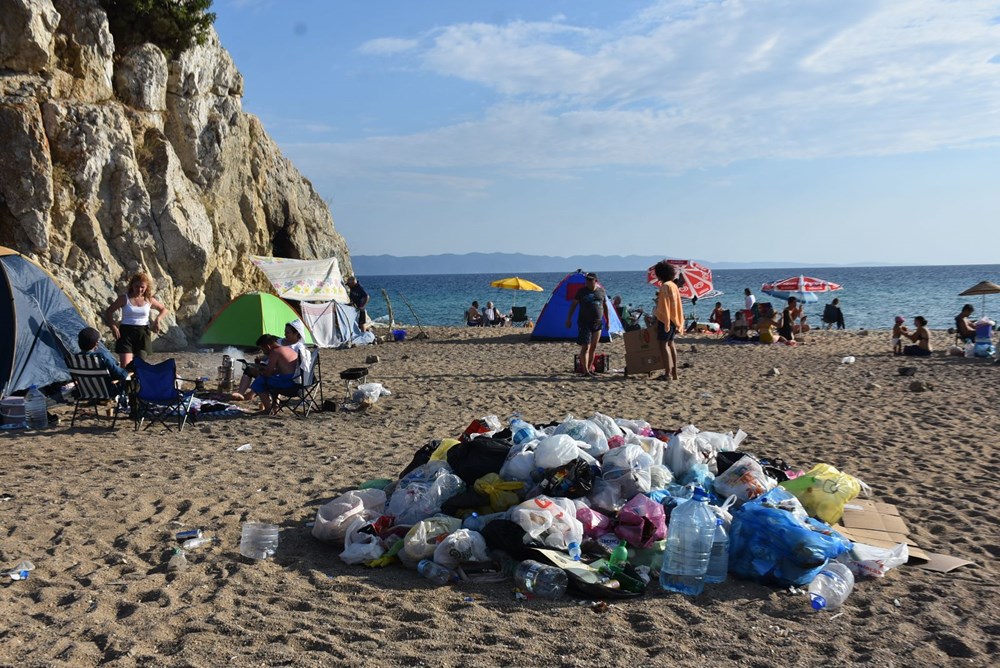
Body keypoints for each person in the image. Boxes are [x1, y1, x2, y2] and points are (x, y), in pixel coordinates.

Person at [104, 272, 169, 367]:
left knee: (139, 364)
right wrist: (114, 327)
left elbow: (164, 310)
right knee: (125, 365)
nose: (139, 289)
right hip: (126, 332)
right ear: (132, 286)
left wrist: (157, 320)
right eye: (137, 286)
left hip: (142, 332)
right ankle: (125, 381)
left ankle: (137, 382)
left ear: (146, 287)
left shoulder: (149, 300)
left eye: (142, 287)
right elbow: (109, 312)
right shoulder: (124, 298)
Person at [565, 272, 608, 376]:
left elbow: (605, 306)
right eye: (587, 280)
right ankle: (585, 371)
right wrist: (569, 319)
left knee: (593, 347)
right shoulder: (582, 291)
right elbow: (573, 305)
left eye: (590, 280)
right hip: (584, 322)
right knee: (586, 347)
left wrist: (608, 321)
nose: (588, 282)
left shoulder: (601, 292)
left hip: (597, 323)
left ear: (595, 281)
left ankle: (590, 369)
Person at [653, 261, 684, 381]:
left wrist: (659, 321)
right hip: (674, 318)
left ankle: (667, 373)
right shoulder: (673, 285)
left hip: (666, 319)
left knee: (663, 344)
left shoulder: (665, 286)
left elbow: (664, 307)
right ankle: (674, 372)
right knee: (671, 344)